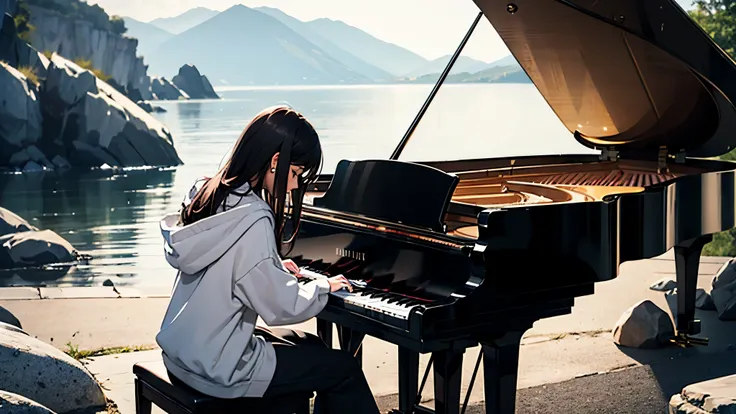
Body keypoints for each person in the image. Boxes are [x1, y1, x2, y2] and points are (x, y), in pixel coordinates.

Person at [155, 105, 380, 413]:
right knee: (344, 369)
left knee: (311, 347)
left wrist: (272, 267)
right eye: (297, 173)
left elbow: (228, 264)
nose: (295, 185)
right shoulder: (255, 217)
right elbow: (280, 307)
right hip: (220, 369)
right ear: (276, 161)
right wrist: (323, 286)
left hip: (185, 352)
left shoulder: (208, 190)